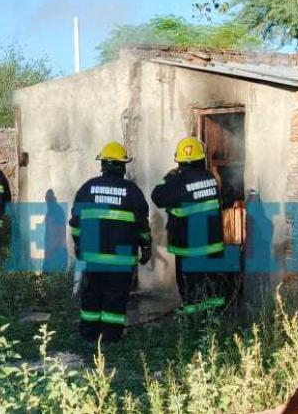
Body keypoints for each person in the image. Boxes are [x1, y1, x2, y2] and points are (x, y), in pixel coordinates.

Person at [69, 142, 151, 343]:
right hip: (121, 261)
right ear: (122, 166)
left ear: (103, 164)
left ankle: (89, 336)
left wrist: (79, 246)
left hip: (92, 257)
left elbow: (76, 223)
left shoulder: (87, 189)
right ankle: (110, 338)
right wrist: (146, 247)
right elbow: (142, 226)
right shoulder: (133, 192)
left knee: (91, 296)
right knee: (115, 297)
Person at [151, 137, 233, 315]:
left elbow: (157, 196)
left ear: (179, 161)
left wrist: (170, 177)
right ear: (201, 158)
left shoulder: (177, 182)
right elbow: (228, 197)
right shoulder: (211, 179)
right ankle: (215, 322)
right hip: (212, 247)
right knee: (213, 287)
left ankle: (194, 326)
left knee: (191, 290)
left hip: (189, 249)